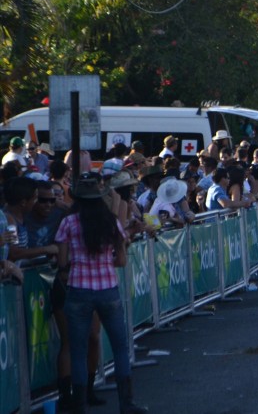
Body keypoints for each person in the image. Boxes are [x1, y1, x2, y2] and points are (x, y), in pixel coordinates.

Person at [56, 177, 147, 413]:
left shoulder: (68, 223)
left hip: (78, 290)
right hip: (107, 290)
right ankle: (126, 403)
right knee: (119, 347)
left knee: (77, 349)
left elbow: (63, 261)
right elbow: (121, 260)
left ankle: (79, 405)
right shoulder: (111, 223)